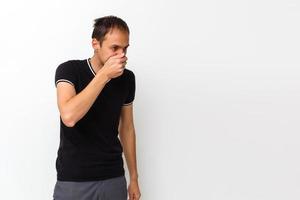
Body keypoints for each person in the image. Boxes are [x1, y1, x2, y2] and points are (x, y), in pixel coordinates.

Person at [52, 15, 141, 200]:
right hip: (73, 180)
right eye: (114, 48)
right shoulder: (69, 70)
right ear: (95, 44)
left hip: (113, 177)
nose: (121, 55)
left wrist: (133, 178)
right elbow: (69, 116)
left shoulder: (127, 78)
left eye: (125, 48)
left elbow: (127, 128)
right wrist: (104, 76)